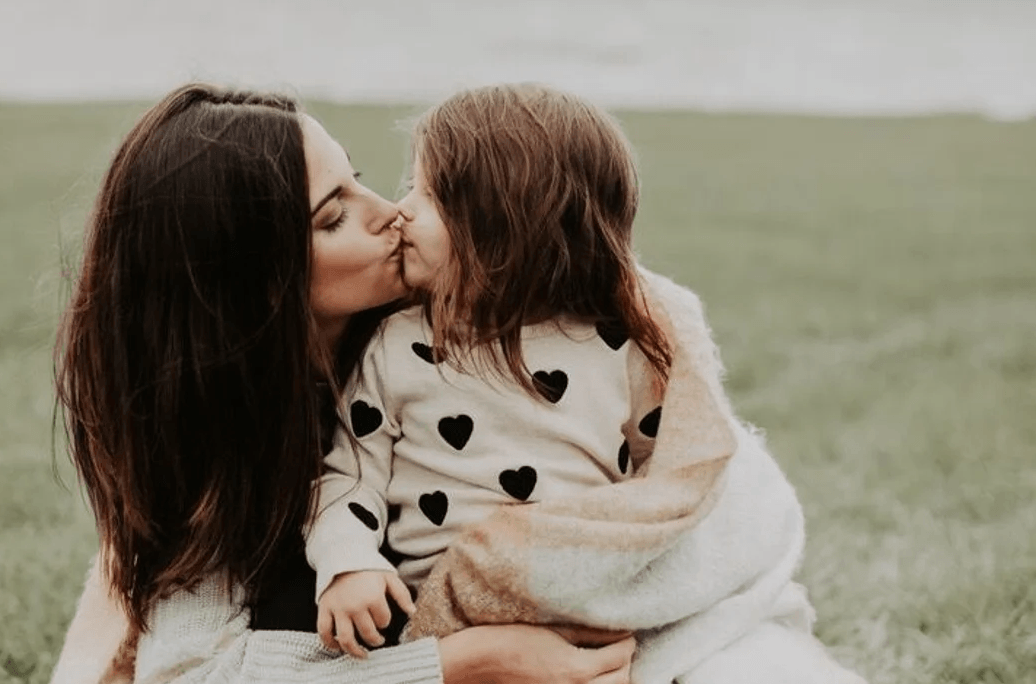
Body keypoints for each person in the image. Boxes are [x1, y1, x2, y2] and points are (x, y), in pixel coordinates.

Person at [48, 83, 636, 684]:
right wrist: (468, 664)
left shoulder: (463, 322)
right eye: (334, 216)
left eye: (358, 178)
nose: (390, 211)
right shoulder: (215, 451)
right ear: (257, 284)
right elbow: (191, 676)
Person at [306, 84, 867, 684]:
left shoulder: (618, 343)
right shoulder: (396, 347)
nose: (401, 210)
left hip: (593, 601)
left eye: (429, 194)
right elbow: (351, 474)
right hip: (462, 624)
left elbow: (670, 479)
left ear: (505, 229)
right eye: (408, 187)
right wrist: (347, 564)